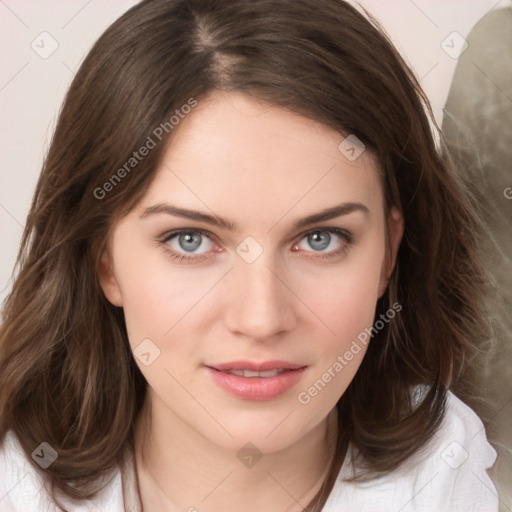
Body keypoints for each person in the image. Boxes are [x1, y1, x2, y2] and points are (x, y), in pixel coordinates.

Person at [0, 0, 499, 511]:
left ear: (388, 255)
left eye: (321, 238)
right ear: (104, 259)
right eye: (189, 240)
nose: (261, 319)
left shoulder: (442, 474)